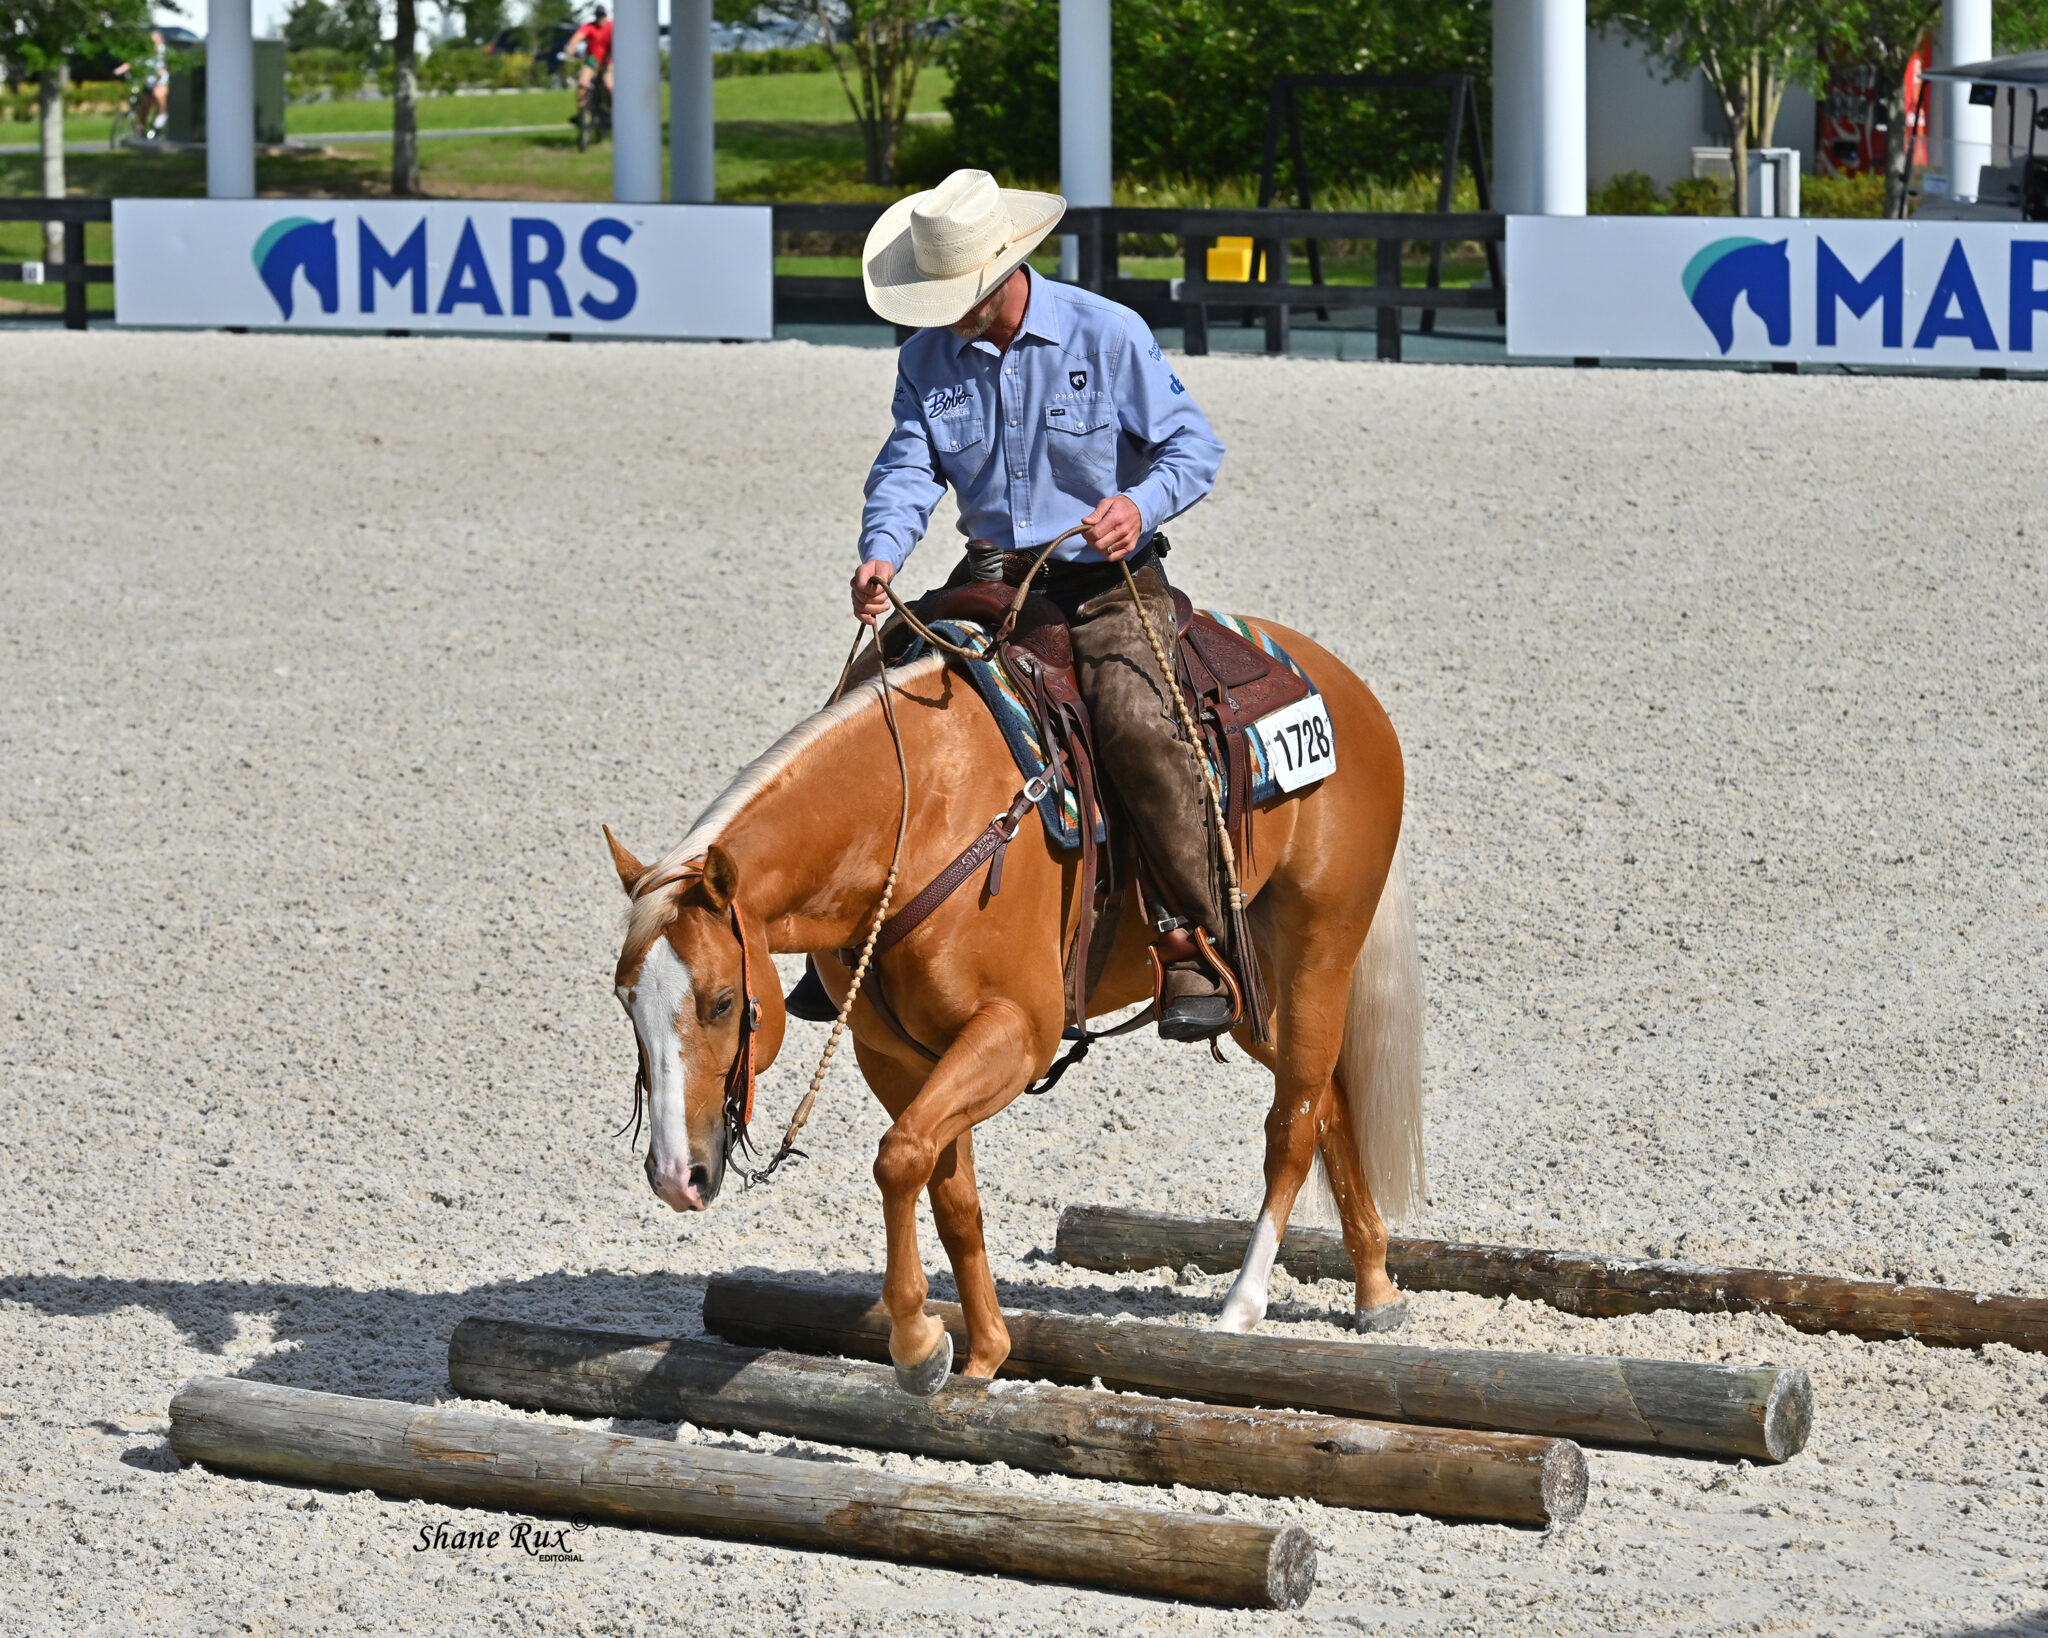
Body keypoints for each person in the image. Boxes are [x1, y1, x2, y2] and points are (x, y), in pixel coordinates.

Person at [854, 168, 1237, 1041]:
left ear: (999, 270)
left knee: (1138, 721)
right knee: (867, 705)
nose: (940, 311)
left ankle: (1192, 936)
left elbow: (1193, 445)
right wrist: (882, 551)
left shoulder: (1106, 334)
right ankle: (862, 931)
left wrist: (1138, 505)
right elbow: (909, 466)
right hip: (987, 576)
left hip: (1107, 581)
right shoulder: (925, 359)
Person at [114, 29, 169, 141]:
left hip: (161, 82)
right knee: (144, 105)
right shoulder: (146, 53)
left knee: (159, 94)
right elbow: (135, 62)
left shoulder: (164, 52)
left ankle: (162, 115)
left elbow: (168, 64)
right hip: (149, 82)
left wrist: (163, 70)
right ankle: (141, 127)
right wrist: (123, 68)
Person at [565, 7, 613, 120]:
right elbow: (577, 37)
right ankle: (581, 112)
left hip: (608, 62)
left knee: (609, 86)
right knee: (583, 83)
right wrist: (571, 47)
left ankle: (611, 111)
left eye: (603, 16)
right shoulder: (590, 27)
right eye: (598, 16)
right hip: (592, 62)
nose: (601, 19)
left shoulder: (612, 26)